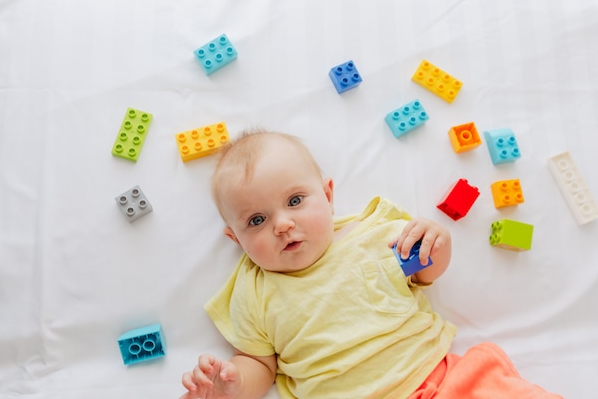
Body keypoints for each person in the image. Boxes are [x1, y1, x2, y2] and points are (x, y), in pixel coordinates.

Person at [180, 130, 563, 399]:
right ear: (235, 239)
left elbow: (427, 271)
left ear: (328, 196)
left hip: (445, 379)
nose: (282, 224)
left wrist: (438, 242)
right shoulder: (254, 290)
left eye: (295, 201)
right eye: (257, 221)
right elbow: (260, 367)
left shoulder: (376, 234)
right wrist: (231, 385)